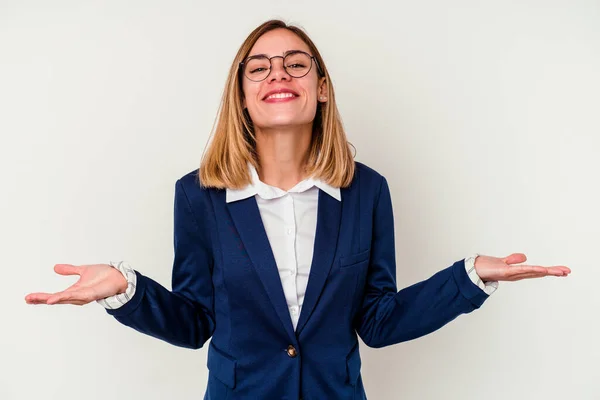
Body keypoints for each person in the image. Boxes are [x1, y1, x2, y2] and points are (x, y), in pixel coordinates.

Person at [25, 19, 571, 400]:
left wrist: (469, 278)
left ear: (322, 88)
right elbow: (195, 324)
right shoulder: (197, 196)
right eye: (258, 67)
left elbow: (377, 322)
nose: (278, 74)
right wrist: (126, 289)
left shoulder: (367, 192)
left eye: (295, 63)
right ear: (241, 95)